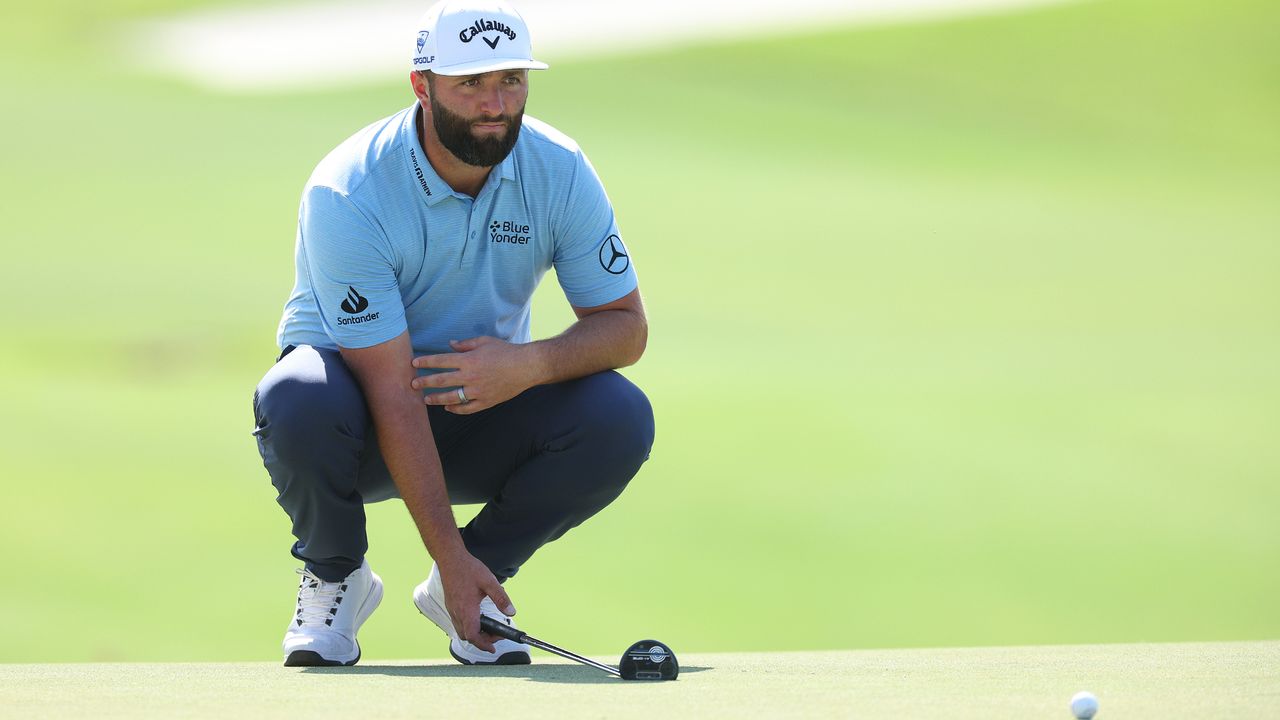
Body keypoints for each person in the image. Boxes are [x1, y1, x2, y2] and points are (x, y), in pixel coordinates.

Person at [251, 0, 654, 668]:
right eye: (470, 84)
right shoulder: (349, 191)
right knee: (297, 395)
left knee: (618, 415)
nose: (495, 103)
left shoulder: (559, 169)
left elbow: (625, 329)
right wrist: (444, 542)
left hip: (479, 406)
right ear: (422, 85)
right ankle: (336, 574)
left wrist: (530, 364)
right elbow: (391, 386)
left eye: (511, 80)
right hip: (356, 420)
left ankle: (469, 584)